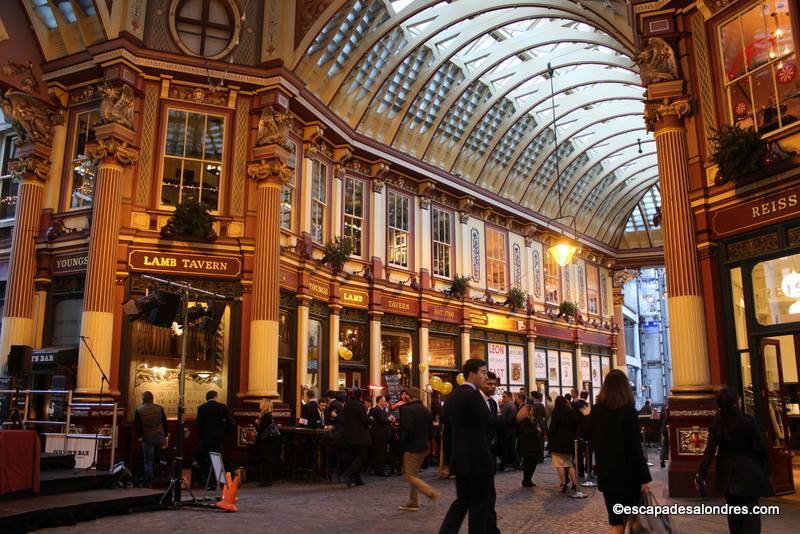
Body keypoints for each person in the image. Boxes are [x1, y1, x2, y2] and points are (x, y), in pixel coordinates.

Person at [585, 369, 651, 533]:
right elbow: (635, 448)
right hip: (629, 476)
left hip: (607, 475)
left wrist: (587, 416)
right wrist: (644, 478)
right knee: (633, 519)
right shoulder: (628, 411)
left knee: (616, 522)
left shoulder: (597, 410)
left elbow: (584, 433)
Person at [696, 387, 768, 534]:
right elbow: (761, 448)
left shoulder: (718, 423)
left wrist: (700, 474)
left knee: (734, 518)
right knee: (751, 516)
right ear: (736, 402)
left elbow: (709, 452)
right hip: (750, 475)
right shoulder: (748, 421)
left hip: (728, 478)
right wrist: (759, 465)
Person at [439, 358, 496, 534]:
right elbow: (489, 421)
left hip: (461, 460)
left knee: (462, 502)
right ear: (472, 374)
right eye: (483, 372)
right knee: (478, 506)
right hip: (477, 460)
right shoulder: (472, 395)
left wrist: (448, 461)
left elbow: (446, 432)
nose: (485, 377)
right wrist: (516, 419)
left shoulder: (453, 396)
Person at [398, 387, 440, 511]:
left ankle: (430, 492)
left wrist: (403, 444)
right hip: (423, 446)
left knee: (409, 475)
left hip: (412, 447)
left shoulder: (407, 410)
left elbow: (408, 429)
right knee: (414, 474)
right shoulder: (425, 410)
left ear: (409, 396)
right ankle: (413, 501)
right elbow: (431, 430)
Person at [197, 390, 234, 489]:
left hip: (207, 439)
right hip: (219, 438)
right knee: (219, 458)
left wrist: (202, 438)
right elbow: (230, 423)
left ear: (207, 398)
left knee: (209, 460)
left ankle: (211, 483)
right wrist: (225, 433)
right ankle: (221, 481)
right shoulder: (222, 407)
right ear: (215, 396)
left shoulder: (201, 408)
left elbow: (199, 426)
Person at [548, 396, 584, 498]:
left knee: (559, 465)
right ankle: (575, 484)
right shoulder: (572, 411)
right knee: (570, 464)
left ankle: (564, 484)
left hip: (558, 441)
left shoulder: (557, 412)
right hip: (569, 441)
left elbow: (553, 427)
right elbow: (576, 426)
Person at [134, 391, 167, 487]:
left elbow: (138, 427)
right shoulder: (159, 408)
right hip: (159, 437)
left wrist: (140, 437)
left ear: (143, 400)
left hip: (147, 438)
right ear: (152, 399)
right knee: (158, 459)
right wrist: (165, 436)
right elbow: (164, 423)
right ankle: (159, 481)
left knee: (148, 461)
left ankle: (149, 483)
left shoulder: (139, 410)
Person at [342, 388, 371, 487]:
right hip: (360, 436)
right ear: (361, 396)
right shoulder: (360, 406)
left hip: (348, 436)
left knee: (353, 457)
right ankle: (348, 474)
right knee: (361, 457)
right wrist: (370, 420)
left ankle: (357, 479)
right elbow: (365, 420)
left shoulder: (347, 405)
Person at [516, 391, 544, 488]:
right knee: (528, 464)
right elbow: (527, 432)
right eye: (531, 410)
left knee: (533, 463)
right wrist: (536, 431)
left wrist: (537, 430)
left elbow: (537, 428)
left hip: (534, 445)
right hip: (527, 446)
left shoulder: (533, 419)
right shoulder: (524, 421)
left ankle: (529, 479)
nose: (533, 411)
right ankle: (526, 480)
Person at [255, 399, 279, 486]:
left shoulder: (266, 416)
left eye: (261, 403)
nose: (259, 404)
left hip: (266, 440)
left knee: (266, 460)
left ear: (264, 405)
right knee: (266, 459)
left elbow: (261, 428)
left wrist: (257, 423)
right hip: (268, 440)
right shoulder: (268, 415)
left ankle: (266, 480)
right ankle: (266, 480)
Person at [369, 395, 392, 476]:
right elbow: (384, 420)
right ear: (379, 401)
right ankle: (379, 471)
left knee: (381, 453)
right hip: (379, 435)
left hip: (383, 435)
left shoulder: (382, 410)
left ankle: (379, 470)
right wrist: (389, 419)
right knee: (379, 453)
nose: (385, 402)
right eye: (384, 400)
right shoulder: (377, 410)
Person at [497, 391, 518, 471]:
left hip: (506, 430)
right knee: (511, 447)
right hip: (511, 429)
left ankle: (503, 464)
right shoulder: (512, 405)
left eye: (504, 397)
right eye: (503, 396)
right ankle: (515, 463)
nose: (503, 398)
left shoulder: (507, 406)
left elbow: (502, 418)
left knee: (505, 447)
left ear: (509, 397)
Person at [573, 390, 590, 479]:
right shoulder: (587, 405)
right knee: (587, 452)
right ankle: (588, 470)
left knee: (578, 453)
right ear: (587, 396)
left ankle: (580, 470)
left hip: (577, 431)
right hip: (586, 432)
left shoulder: (574, 404)